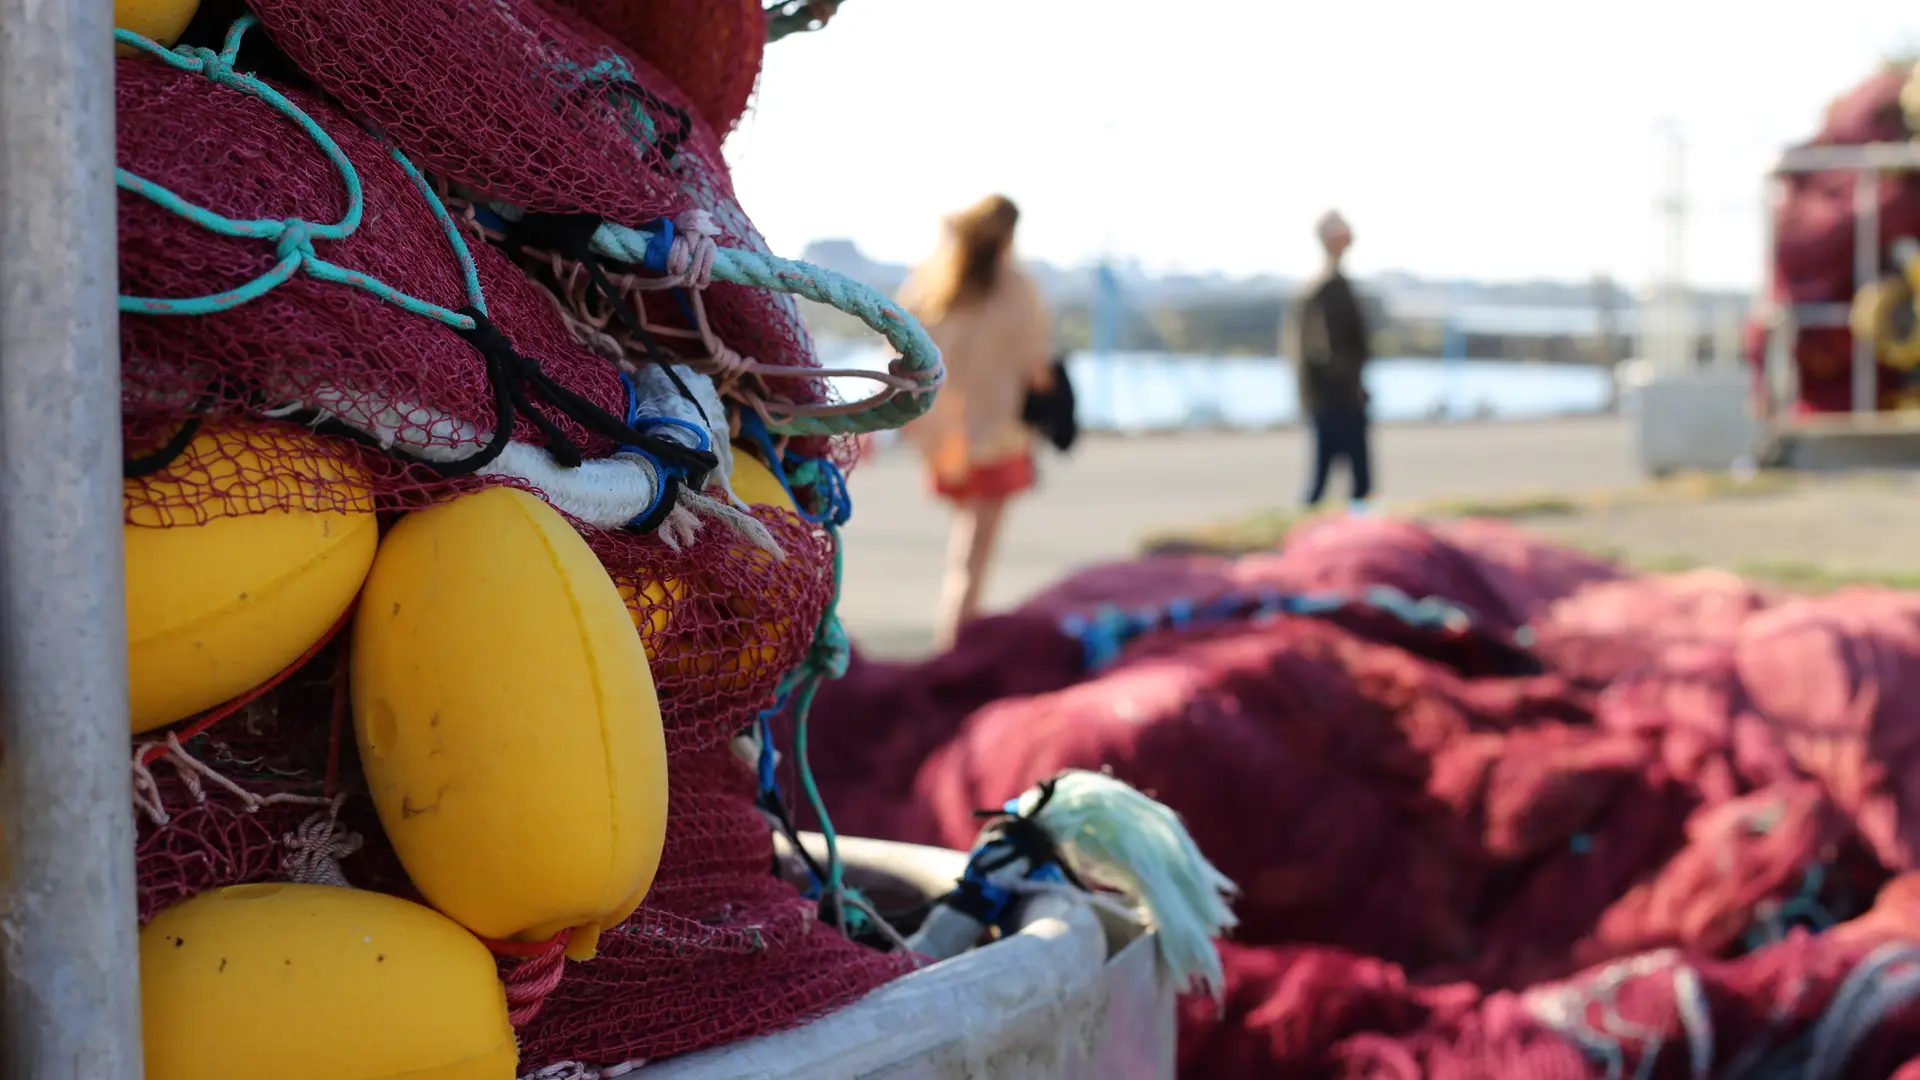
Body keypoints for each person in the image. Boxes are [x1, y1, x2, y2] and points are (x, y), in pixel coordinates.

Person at [897, 194, 1056, 650]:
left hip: (946, 439)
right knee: (973, 559)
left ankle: (957, 639)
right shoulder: (1017, 289)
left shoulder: (932, 286)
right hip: (999, 438)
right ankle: (955, 649)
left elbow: (900, 353)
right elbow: (1036, 367)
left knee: (965, 551)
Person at [1289, 210, 1374, 510]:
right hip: (1335, 396)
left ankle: (1339, 533)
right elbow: (1323, 348)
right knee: (1348, 479)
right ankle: (1348, 540)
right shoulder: (1327, 286)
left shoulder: (1324, 284)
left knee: (1334, 477)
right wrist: (1352, 385)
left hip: (1330, 394)